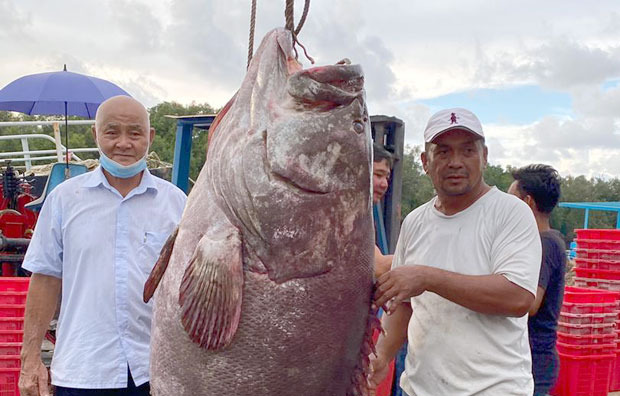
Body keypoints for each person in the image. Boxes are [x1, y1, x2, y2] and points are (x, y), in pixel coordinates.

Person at [19, 96, 187, 396]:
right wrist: (30, 359)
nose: (123, 143)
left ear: (149, 138)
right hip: (82, 370)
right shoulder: (65, 200)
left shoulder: (177, 204)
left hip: (155, 371)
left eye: (134, 133)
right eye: (112, 132)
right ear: (96, 135)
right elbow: (44, 279)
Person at [368, 107, 542, 396]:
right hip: (419, 388)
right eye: (444, 152)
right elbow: (405, 304)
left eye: (467, 151)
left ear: (484, 156)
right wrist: (382, 356)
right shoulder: (415, 222)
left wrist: (427, 277)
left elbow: (518, 297)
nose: (456, 162)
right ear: (425, 161)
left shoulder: (510, 213)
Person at [508, 164, 565, 396]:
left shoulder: (544, 244)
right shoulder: (544, 241)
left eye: (511, 201)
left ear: (527, 202)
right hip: (530, 358)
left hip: (534, 361)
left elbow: (529, 303)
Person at [373, 143, 394, 279]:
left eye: (386, 177)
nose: (385, 184)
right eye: (378, 175)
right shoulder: (338, 215)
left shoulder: (366, 217)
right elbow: (378, 266)